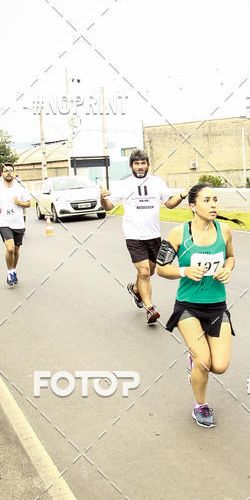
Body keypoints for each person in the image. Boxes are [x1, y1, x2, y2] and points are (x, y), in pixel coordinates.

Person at [156, 184, 242, 428]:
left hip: (217, 306)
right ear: (193, 206)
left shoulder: (224, 231)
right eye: (207, 200)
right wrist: (184, 270)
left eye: (215, 199)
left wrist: (227, 269)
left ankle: (195, 363)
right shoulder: (178, 234)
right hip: (188, 307)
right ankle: (200, 405)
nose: (213, 204)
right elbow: (161, 268)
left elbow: (231, 256)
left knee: (220, 366)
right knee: (204, 360)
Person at [99, 149, 189, 324]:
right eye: (136, 163)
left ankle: (135, 289)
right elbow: (109, 206)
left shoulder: (157, 182)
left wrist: (181, 196)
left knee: (151, 271)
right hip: (134, 236)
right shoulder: (123, 184)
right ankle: (150, 309)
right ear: (131, 166)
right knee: (144, 271)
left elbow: (169, 204)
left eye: (143, 163)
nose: (140, 167)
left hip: (154, 235)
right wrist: (102, 198)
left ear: (148, 164)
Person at [0, 163, 31, 286]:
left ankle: (13, 270)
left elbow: (29, 203)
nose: (8, 173)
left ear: (13, 173)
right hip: (4, 222)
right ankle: (9, 272)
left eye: (10, 171)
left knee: (16, 250)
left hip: (18, 223)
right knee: (10, 248)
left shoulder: (20, 188)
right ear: (2, 174)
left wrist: (20, 202)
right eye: (5, 171)